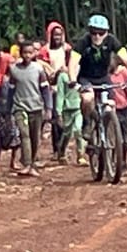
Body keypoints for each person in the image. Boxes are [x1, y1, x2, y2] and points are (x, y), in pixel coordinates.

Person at [70, 14, 127, 121]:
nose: (97, 36)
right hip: (86, 77)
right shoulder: (83, 42)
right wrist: (73, 80)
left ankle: (110, 131)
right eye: (94, 32)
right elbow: (73, 62)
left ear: (106, 32)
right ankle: (87, 122)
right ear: (89, 32)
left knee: (110, 106)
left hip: (103, 77)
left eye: (101, 33)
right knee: (88, 99)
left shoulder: (112, 40)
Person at [9, 42, 49, 177]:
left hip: (36, 108)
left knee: (35, 137)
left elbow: (45, 90)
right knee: (24, 135)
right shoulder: (14, 69)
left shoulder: (38, 69)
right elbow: (11, 90)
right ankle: (26, 164)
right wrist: (8, 109)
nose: (27, 55)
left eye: (30, 53)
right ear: (20, 53)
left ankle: (32, 164)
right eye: (24, 52)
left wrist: (48, 107)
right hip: (20, 107)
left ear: (34, 54)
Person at [41, 22, 77, 161]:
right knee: (57, 119)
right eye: (55, 34)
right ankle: (57, 149)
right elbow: (42, 67)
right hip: (52, 88)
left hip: (67, 85)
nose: (57, 37)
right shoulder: (44, 51)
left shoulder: (67, 49)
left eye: (59, 34)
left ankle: (64, 147)